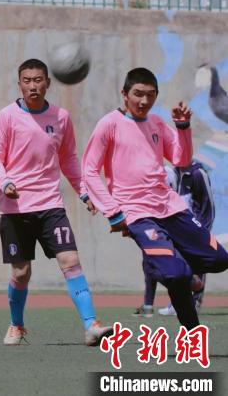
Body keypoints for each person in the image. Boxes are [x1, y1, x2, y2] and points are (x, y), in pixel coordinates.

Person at [83, 67, 228, 330]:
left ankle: (177, 265)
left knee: (219, 260)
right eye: (138, 94)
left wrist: (183, 127)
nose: (144, 101)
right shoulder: (109, 124)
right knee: (177, 275)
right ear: (124, 94)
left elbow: (181, 160)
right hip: (138, 215)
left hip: (172, 208)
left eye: (150, 95)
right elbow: (90, 171)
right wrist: (113, 212)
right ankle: (192, 330)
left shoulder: (157, 124)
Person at [0, 59, 111, 346]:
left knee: (71, 261)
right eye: (27, 80)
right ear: (20, 84)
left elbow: (69, 160)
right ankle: (16, 325)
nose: (33, 86)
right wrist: (4, 182)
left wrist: (85, 192)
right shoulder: (7, 116)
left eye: (38, 80)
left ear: (48, 83)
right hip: (15, 208)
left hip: (51, 205)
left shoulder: (61, 117)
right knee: (21, 273)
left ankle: (91, 325)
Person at [133, 159, 216, 317]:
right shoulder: (175, 172)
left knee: (196, 264)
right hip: (178, 226)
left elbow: (208, 207)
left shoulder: (198, 174)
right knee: (164, 263)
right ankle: (169, 303)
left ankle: (194, 302)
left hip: (195, 228)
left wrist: (203, 231)